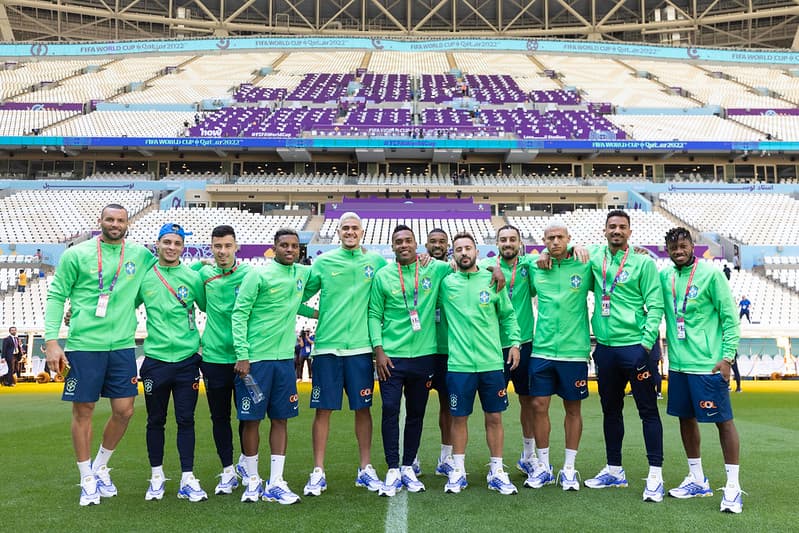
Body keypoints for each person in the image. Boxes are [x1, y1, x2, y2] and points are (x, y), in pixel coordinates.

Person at [45, 204, 156, 506]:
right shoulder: (76, 255)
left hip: (122, 345)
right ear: (101, 221)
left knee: (125, 410)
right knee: (84, 411)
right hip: (84, 345)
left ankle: (100, 466)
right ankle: (86, 478)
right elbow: (57, 295)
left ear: (127, 223)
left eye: (120, 220)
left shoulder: (141, 255)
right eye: (110, 219)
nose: (115, 224)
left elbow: (165, 276)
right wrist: (52, 341)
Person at [574, 210, 665, 501]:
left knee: (647, 411)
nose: (617, 230)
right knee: (610, 411)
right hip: (605, 350)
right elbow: (570, 256)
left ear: (629, 231)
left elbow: (656, 306)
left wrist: (646, 345)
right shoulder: (595, 257)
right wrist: (575, 248)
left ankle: (655, 475)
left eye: (622, 227)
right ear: (604, 230)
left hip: (635, 348)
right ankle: (614, 470)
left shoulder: (643, 263)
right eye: (612, 226)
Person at [301, 212, 387, 496]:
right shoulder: (324, 262)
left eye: (354, 228)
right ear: (337, 232)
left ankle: (365, 469)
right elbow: (297, 296)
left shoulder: (375, 262)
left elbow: (394, 286)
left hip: (362, 349)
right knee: (323, 410)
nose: (350, 232)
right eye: (345, 228)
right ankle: (318, 471)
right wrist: (316, 313)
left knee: (362, 409)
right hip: (327, 347)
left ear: (362, 232)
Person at [659, 227, 744, 513]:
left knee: (723, 421)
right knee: (685, 419)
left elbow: (731, 319)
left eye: (683, 246)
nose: (678, 251)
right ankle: (697, 479)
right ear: (667, 250)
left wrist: (727, 359)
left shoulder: (711, 275)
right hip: (679, 366)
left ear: (692, 246)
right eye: (673, 248)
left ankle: (732, 486)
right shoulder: (665, 277)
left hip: (708, 365)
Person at [368, 225, 452, 496]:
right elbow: (373, 314)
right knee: (390, 410)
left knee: (416, 414)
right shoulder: (383, 275)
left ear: (417, 245)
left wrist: (494, 269)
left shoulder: (434, 269)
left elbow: (466, 265)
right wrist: (378, 350)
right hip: (391, 358)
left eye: (408, 241)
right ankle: (393, 467)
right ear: (392, 247)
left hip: (424, 356)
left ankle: (407, 466)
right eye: (398, 242)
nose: (403, 245)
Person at [231, 228, 310, 504]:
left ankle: (275, 481)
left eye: (294, 246)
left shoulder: (302, 274)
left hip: (284, 361)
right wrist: (243, 354)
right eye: (284, 245)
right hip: (256, 362)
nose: (290, 250)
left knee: (281, 418)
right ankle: (252, 480)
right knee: (251, 419)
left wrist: (322, 312)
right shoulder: (258, 274)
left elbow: (296, 304)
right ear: (274, 248)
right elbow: (239, 314)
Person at [438, 232, 521, 495]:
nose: (464, 252)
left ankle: (496, 470)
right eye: (458, 249)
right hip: (459, 365)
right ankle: (458, 470)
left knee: (494, 417)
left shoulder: (492, 279)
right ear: (453, 254)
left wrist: (515, 343)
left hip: (491, 363)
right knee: (458, 418)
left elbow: (507, 316)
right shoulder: (446, 283)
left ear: (476, 251)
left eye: (468, 248)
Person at [137, 223, 207, 502]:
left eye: (177, 243)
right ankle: (156, 477)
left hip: (187, 361)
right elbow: (119, 305)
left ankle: (187, 478)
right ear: (158, 243)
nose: (172, 247)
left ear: (182, 247)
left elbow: (209, 306)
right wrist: (76, 314)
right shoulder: (144, 277)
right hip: (155, 360)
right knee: (155, 420)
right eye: (167, 242)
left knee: (186, 420)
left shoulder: (191, 277)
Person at [526, 223, 593, 491]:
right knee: (538, 406)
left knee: (572, 409)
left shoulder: (584, 263)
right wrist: (540, 253)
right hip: (541, 349)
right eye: (549, 238)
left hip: (574, 351)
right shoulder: (535, 265)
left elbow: (613, 253)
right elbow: (502, 262)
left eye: (559, 238)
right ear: (543, 241)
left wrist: (638, 250)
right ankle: (543, 466)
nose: (555, 242)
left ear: (569, 239)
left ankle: (568, 468)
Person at [191, 225, 252, 494]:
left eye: (227, 246)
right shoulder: (204, 275)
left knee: (248, 416)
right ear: (211, 247)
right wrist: (198, 264)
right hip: (214, 358)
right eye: (217, 246)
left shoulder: (250, 274)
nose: (223, 251)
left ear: (236, 246)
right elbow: (202, 303)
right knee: (220, 417)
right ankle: (227, 470)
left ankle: (246, 463)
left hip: (244, 359)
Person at [479, 225, 537, 476]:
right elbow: (461, 263)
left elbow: (556, 254)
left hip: (523, 343)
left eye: (512, 239)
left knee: (529, 401)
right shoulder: (485, 266)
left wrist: (571, 247)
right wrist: (495, 268)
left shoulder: (529, 265)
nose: (508, 243)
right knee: (493, 407)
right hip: (493, 346)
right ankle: (496, 461)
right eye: (503, 240)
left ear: (520, 242)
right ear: (497, 243)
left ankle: (529, 455)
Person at [424, 228, 456, 476]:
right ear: (426, 244)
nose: (437, 245)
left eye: (442, 242)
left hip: (448, 350)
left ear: (448, 245)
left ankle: (446, 457)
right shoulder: (421, 268)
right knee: (416, 406)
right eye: (433, 241)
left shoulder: (456, 269)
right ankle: (410, 458)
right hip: (423, 348)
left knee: (448, 405)